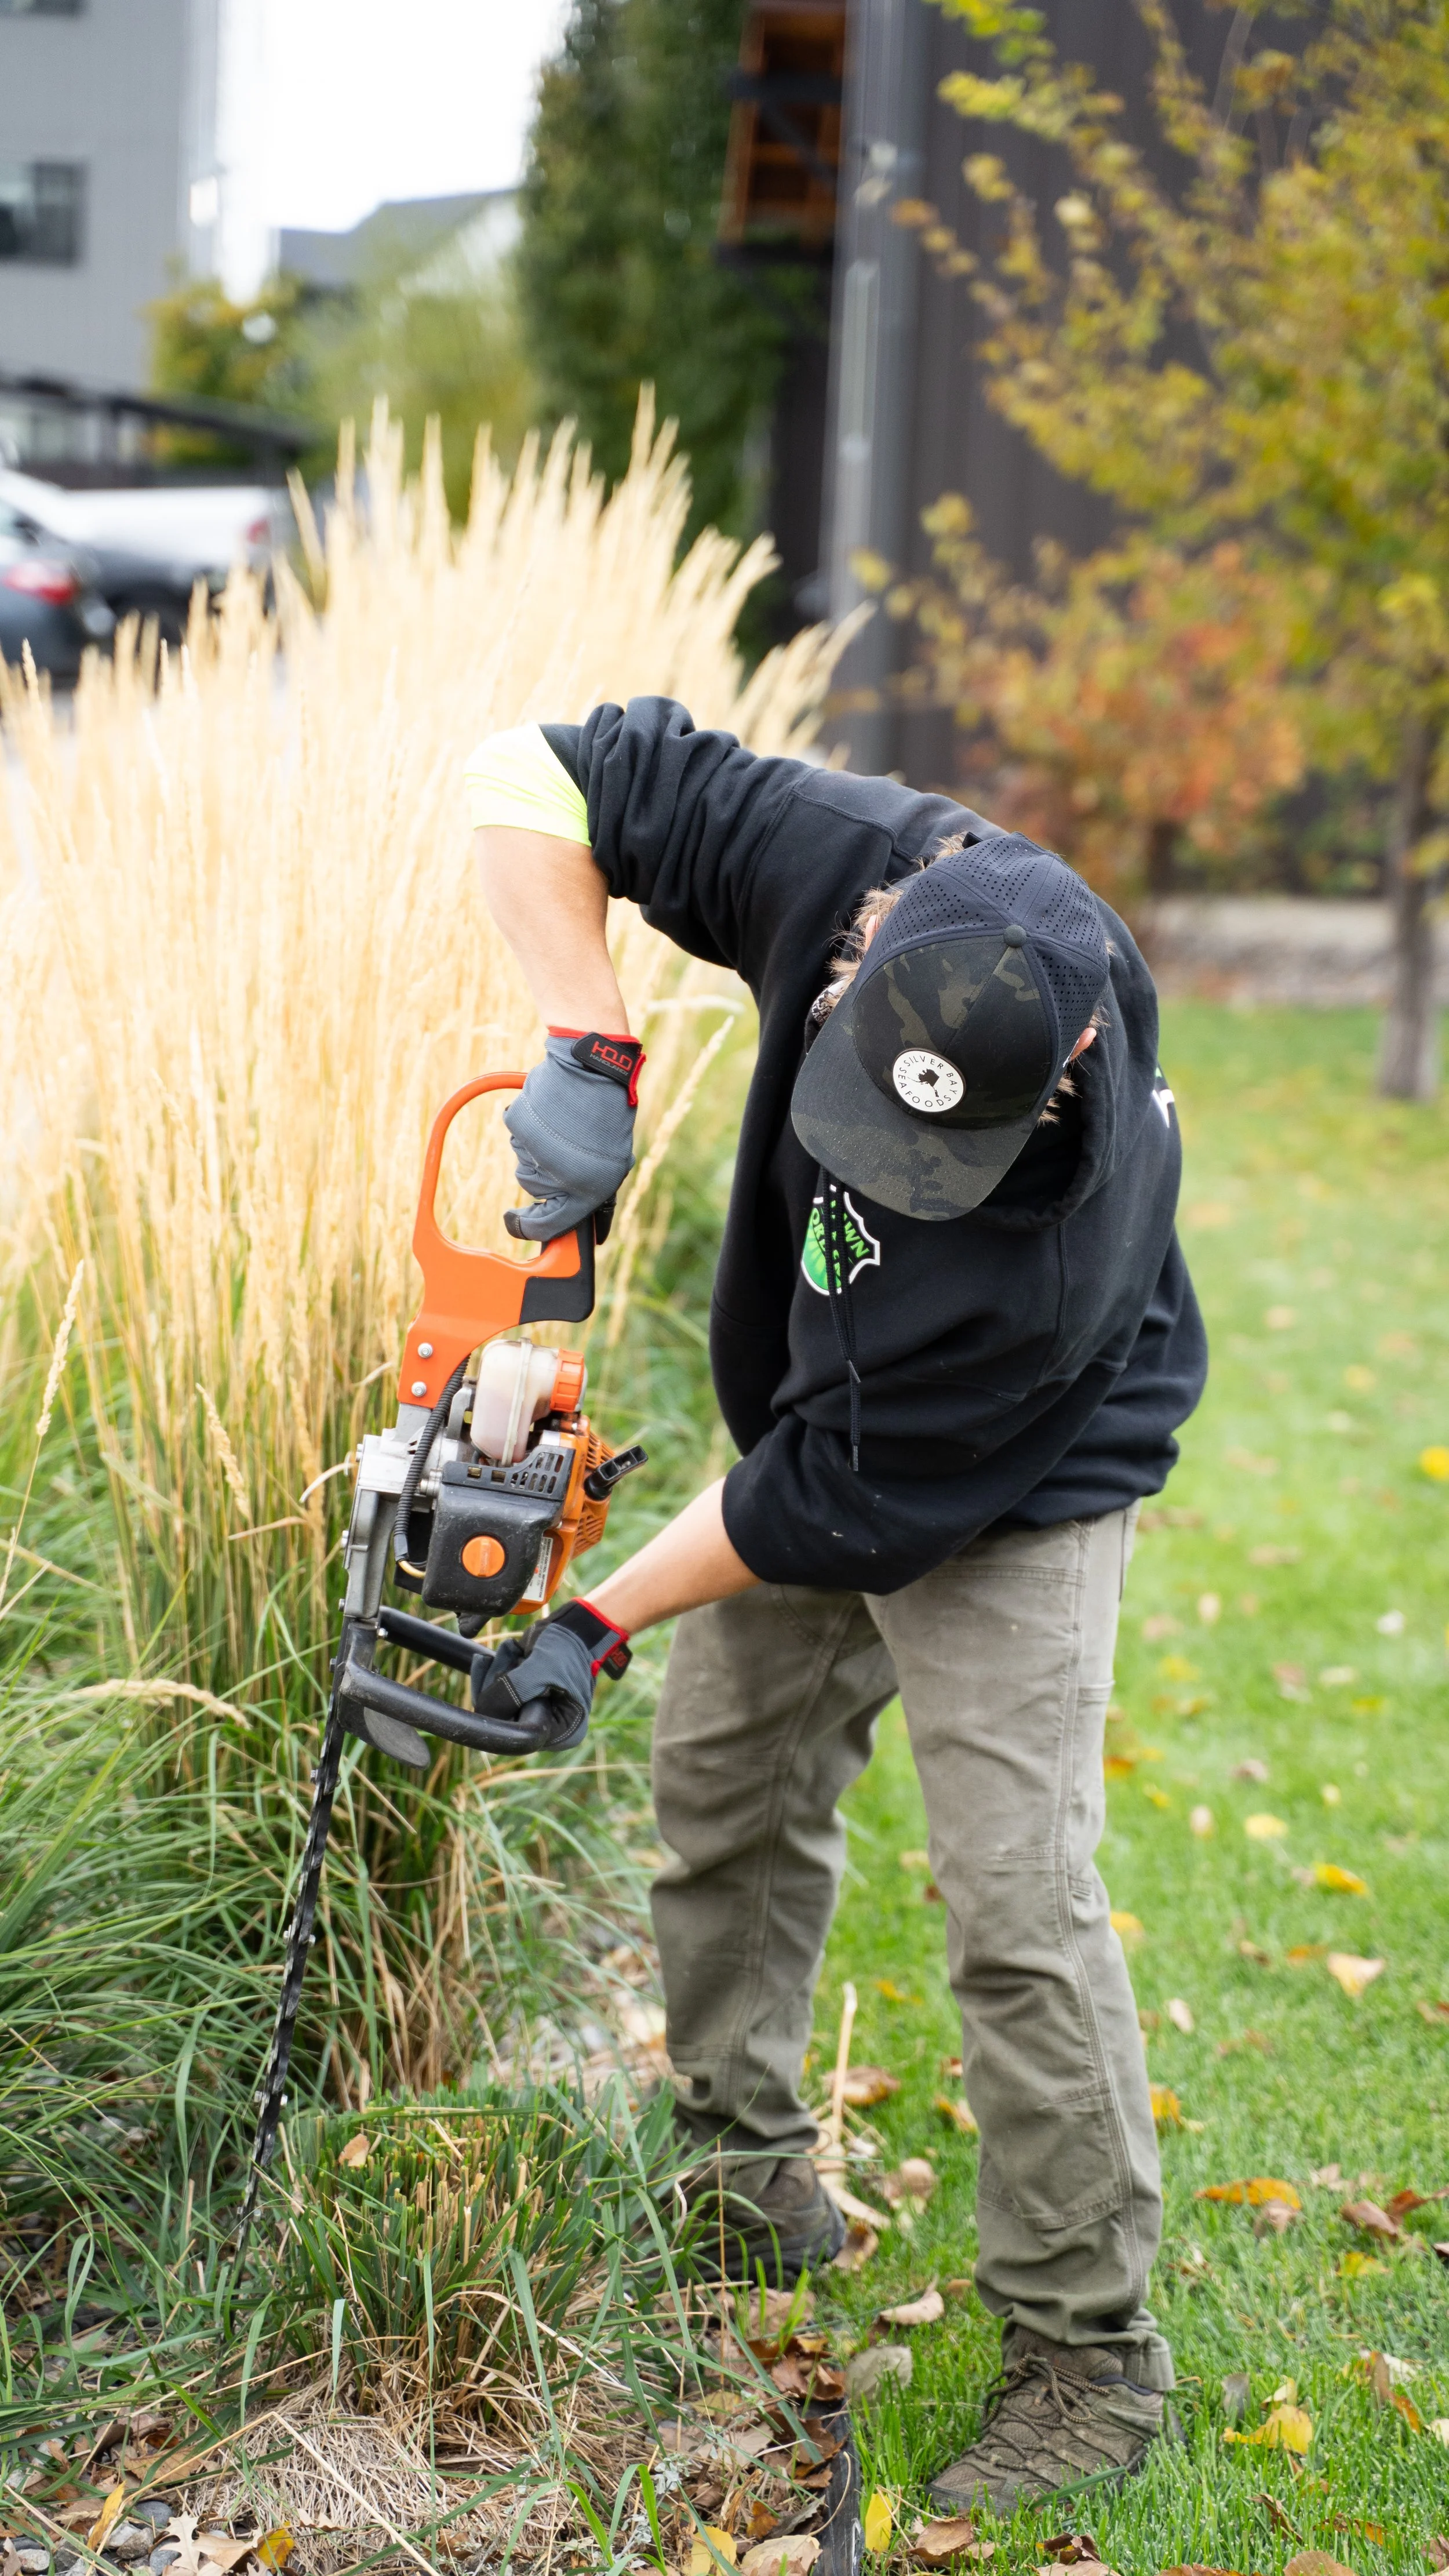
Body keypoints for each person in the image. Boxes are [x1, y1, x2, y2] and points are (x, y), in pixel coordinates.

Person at [462, 698, 1207, 2512]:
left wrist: (590, 1622)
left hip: (1005, 1485)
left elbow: (816, 1510)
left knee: (1014, 1902)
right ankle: (738, 2185)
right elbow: (528, 771)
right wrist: (586, 1030)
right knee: (723, 1790)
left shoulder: (1038, 1253)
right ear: (869, 941)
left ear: (1076, 1050)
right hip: (823, 1422)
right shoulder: (848, 860)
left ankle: (1087, 2358)